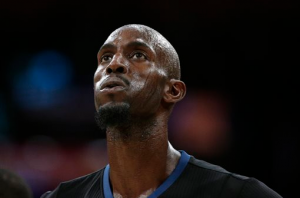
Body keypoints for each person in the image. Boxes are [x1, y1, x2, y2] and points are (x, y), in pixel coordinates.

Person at [41, 24, 282, 198]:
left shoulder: (238, 193)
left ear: (173, 91)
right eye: (105, 57)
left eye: (137, 54)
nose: (113, 64)